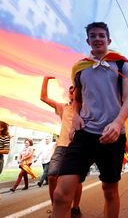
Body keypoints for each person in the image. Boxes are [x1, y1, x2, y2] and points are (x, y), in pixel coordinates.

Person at [52, 22, 128, 218]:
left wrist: (117, 123)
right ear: (88, 41)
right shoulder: (80, 68)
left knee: (110, 190)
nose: (97, 38)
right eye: (93, 36)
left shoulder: (122, 64)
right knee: (61, 193)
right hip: (84, 135)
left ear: (108, 40)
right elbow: (78, 99)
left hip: (113, 136)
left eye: (101, 35)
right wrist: (76, 117)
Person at [40, 77, 83, 217]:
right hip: (61, 147)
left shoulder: (84, 107)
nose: (72, 93)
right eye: (70, 91)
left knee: (76, 180)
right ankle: (55, 209)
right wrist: (46, 79)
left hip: (77, 147)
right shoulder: (63, 107)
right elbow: (43, 97)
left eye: (74, 90)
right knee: (52, 176)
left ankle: (75, 208)